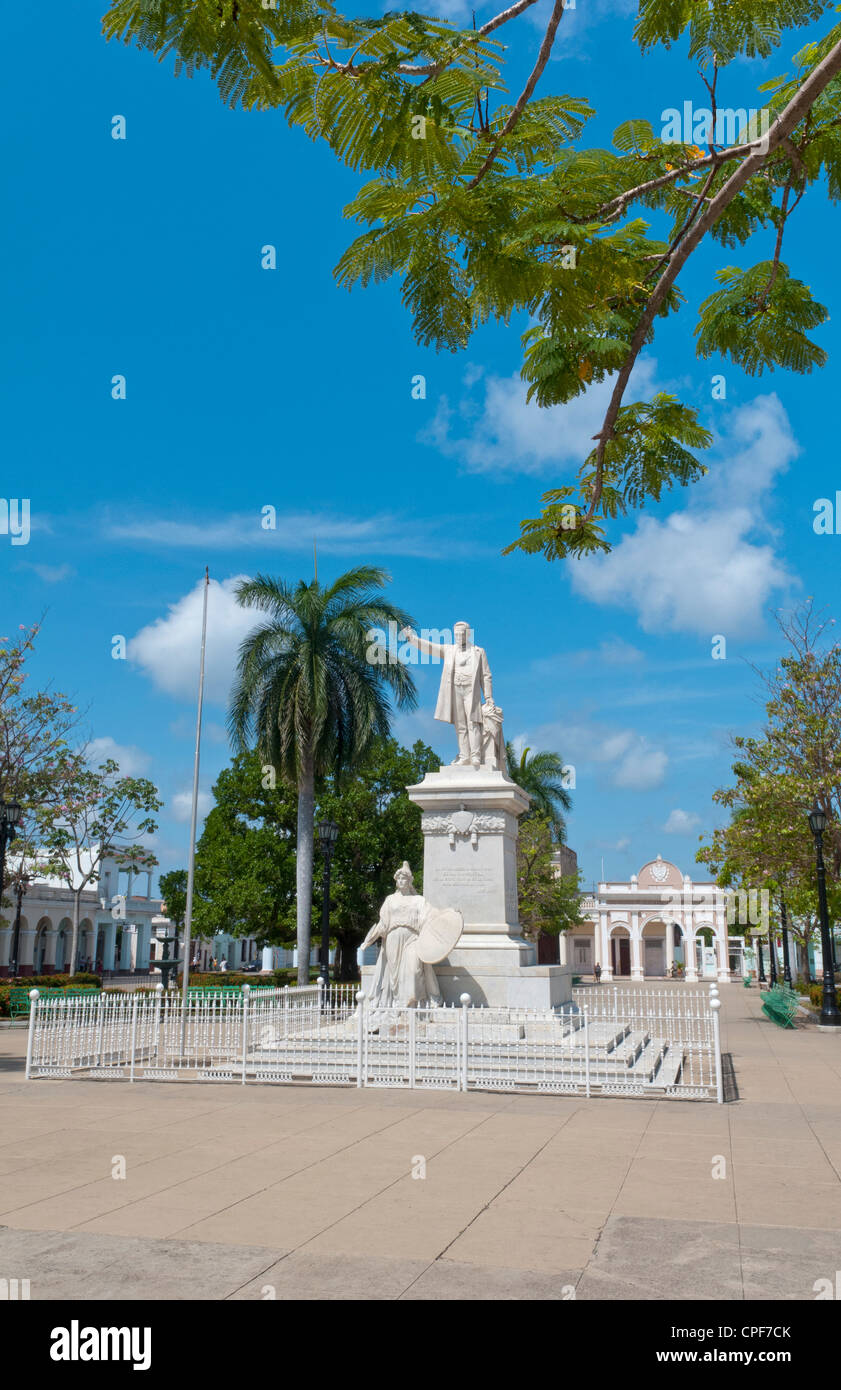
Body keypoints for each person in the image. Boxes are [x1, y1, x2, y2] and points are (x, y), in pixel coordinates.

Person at [400, 621, 492, 769]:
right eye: (455, 634)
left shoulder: (478, 652)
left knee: (473, 722)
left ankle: (475, 756)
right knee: (460, 724)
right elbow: (430, 648)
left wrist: (488, 697)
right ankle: (464, 756)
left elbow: (486, 676)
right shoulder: (449, 650)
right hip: (455, 689)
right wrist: (413, 638)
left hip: (471, 690)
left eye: (461, 634)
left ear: (467, 634)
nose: (458, 636)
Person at [361, 862, 442, 1008]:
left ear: (410, 880)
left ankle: (413, 1003)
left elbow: (429, 918)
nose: (401, 881)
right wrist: (369, 941)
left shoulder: (419, 900)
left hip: (413, 938)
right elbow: (382, 924)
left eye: (404, 878)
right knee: (395, 975)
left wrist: (445, 919)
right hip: (393, 938)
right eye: (398, 879)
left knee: (414, 969)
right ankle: (399, 1003)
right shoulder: (390, 900)